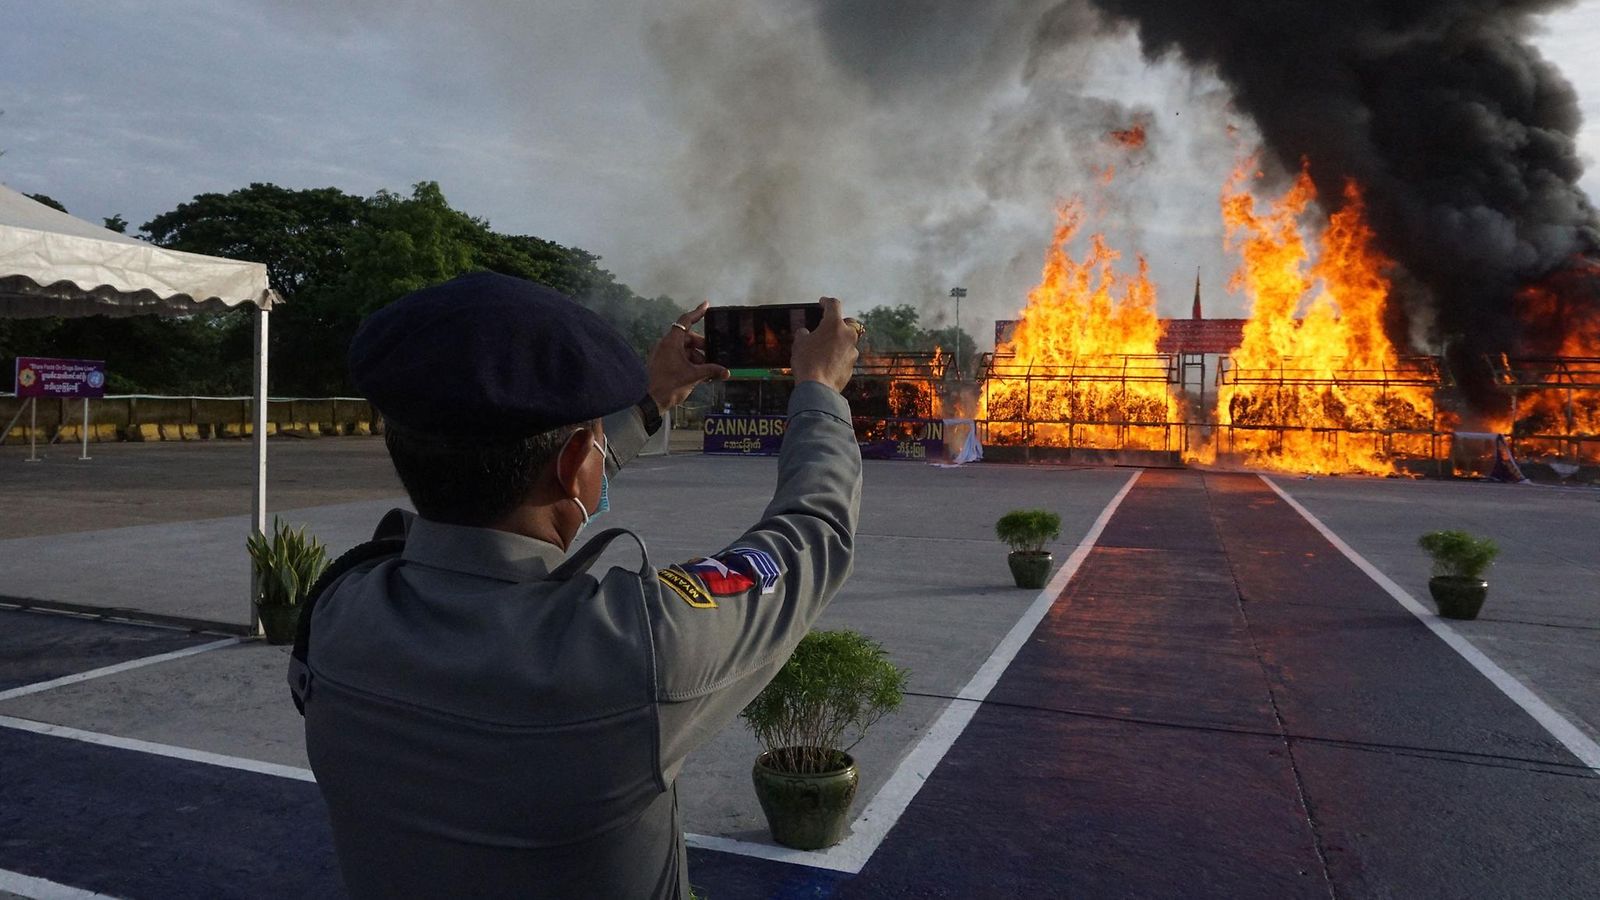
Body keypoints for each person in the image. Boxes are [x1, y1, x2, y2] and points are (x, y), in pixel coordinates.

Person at [292, 271, 863, 899]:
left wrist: (647, 407)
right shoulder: (638, 646)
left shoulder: (339, 610)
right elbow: (813, 532)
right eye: (592, 440)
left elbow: (533, 485)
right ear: (572, 465)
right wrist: (819, 391)